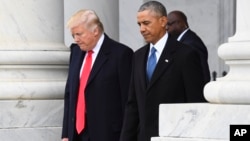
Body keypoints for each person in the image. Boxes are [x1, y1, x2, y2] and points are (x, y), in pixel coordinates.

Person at [120, 1, 207, 141]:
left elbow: (195, 102)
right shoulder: (138, 56)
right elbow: (133, 105)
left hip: (173, 136)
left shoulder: (185, 54)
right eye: (139, 24)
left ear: (163, 21)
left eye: (146, 23)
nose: (141, 29)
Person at [61, 9, 133, 141]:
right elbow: (69, 95)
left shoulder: (121, 54)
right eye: (73, 35)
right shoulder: (76, 52)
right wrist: (66, 134)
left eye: (79, 34)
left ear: (95, 31)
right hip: (76, 134)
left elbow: (127, 101)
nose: (76, 39)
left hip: (107, 134)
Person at [167, 10, 211, 83]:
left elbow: (202, 74)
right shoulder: (183, 41)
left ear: (180, 23)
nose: (166, 28)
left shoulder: (191, 43)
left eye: (169, 24)